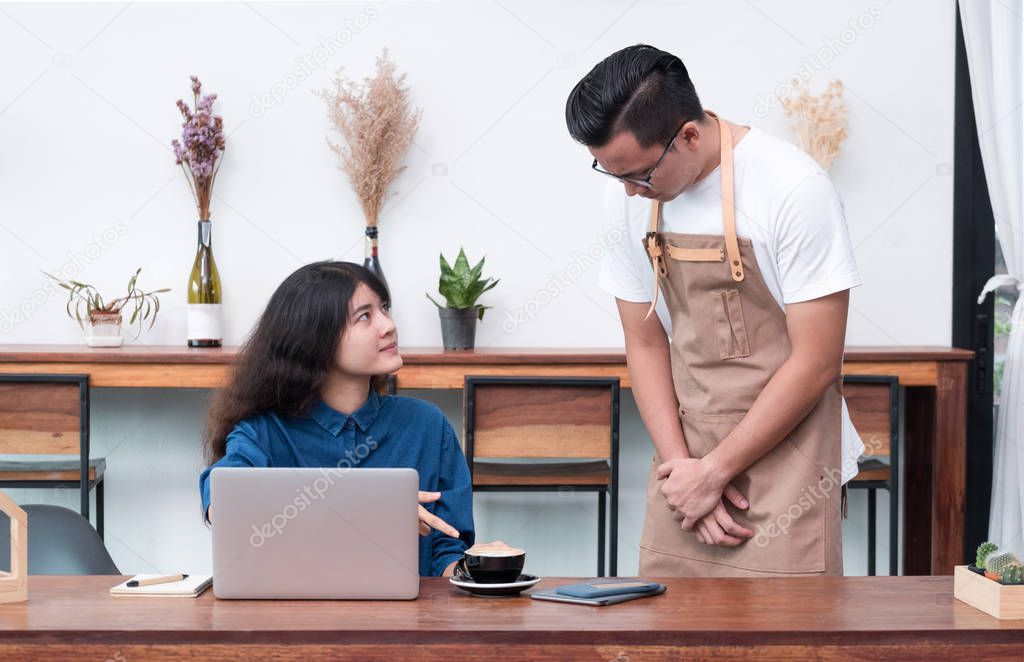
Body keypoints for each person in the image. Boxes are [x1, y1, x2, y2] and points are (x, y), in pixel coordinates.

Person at [566, 44, 864, 576]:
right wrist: (687, 473)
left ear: (688, 136)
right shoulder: (626, 195)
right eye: (612, 175)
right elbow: (646, 340)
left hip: (787, 464)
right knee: (667, 641)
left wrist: (716, 472)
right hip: (684, 465)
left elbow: (817, 362)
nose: (631, 193)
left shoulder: (793, 189)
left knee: (785, 644)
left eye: (640, 175)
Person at [199, 261, 496, 576]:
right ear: (315, 339)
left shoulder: (427, 425)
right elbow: (224, 505)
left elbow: (446, 556)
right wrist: (369, 509)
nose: (388, 325)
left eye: (384, 308)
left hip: (405, 622)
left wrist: (478, 569)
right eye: (364, 316)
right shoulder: (263, 432)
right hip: (292, 617)